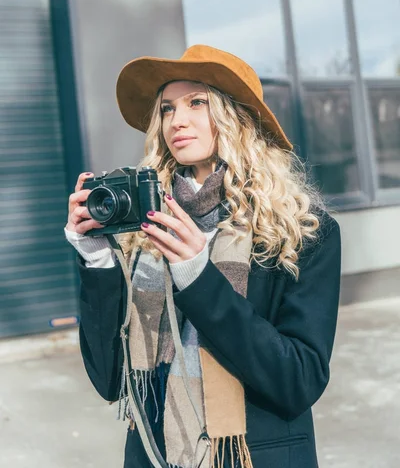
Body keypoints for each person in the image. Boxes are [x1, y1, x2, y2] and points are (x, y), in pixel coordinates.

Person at [65, 45, 341, 468]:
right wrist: (97, 260)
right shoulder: (144, 231)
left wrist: (198, 277)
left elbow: (298, 381)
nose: (178, 120)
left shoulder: (300, 231)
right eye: (167, 108)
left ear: (238, 117)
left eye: (198, 102)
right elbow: (110, 381)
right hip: (154, 456)